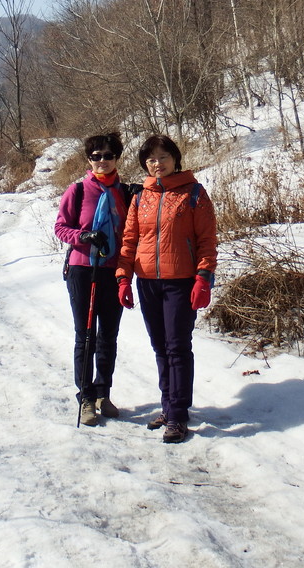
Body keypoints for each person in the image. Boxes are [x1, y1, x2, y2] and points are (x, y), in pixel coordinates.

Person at [116, 135, 217, 443]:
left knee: (177, 347)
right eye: (150, 160)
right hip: (147, 281)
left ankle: (177, 414)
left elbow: (207, 242)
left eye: (162, 157)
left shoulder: (195, 194)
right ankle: (168, 405)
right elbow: (129, 241)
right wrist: (123, 278)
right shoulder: (139, 197)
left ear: (175, 158)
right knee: (160, 346)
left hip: (180, 281)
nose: (156, 163)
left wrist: (203, 278)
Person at [55, 133, 133, 427]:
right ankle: (86, 396)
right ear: (89, 159)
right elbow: (61, 227)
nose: (102, 160)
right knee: (85, 336)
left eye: (108, 155)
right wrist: (83, 236)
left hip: (112, 270)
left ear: (117, 158)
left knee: (108, 336)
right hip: (83, 269)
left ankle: (103, 392)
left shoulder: (124, 192)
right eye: (96, 156)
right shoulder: (77, 190)